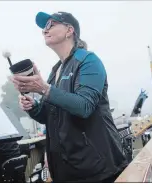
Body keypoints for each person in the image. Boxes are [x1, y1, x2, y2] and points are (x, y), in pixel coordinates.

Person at [10, 11, 128, 182]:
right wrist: (33, 107)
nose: (44, 30)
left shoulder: (88, 61)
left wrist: (44, 88)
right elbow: (48, 116)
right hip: (64, 170)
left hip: (96, 169)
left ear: (69, 30)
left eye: (50, 25)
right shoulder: (55, 71)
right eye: (43, 27)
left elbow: (84, 107)